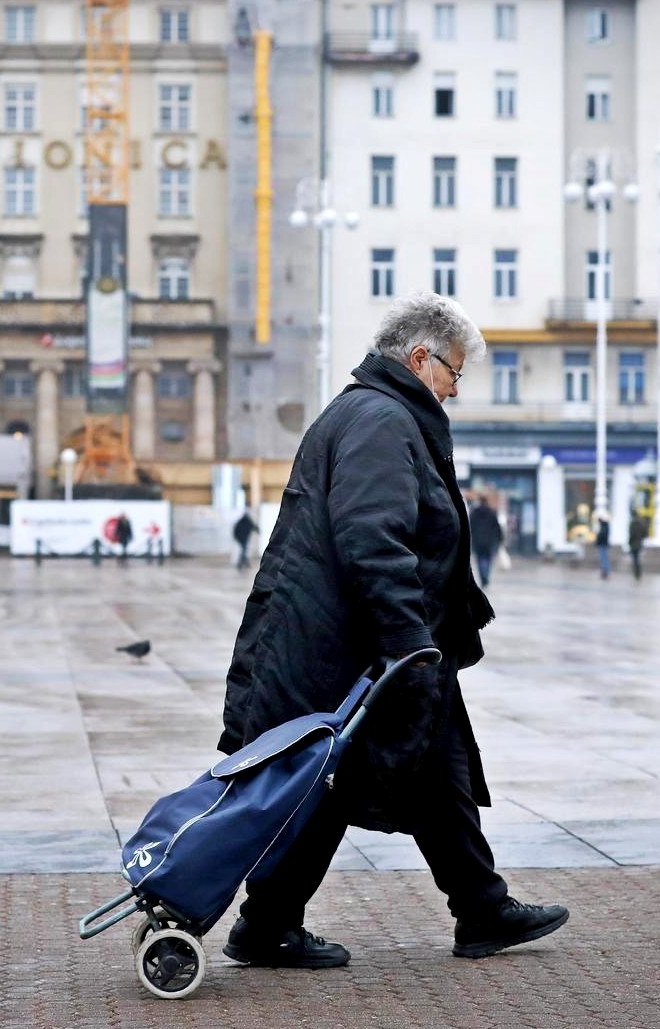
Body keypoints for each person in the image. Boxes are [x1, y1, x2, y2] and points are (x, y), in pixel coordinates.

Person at [219, 292, 568, 970]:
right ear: (418, 357)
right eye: (454, 372)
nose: (456, 389)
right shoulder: (381, 419)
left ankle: (479, 904)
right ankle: (269, 921)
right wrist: (408, 642)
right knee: (335, 778)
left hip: (373, 643)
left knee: (433, 768)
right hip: (362, 646)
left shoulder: (380, 413)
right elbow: (372, 538)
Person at [469, 495, 502, 589]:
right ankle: (486, 575)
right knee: (488, 560)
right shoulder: (492, 512)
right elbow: (497, 527)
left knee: (480, 560)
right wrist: (500, 539)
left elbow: (469, 527)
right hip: (489, 541)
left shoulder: (474, 513)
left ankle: (483, 577)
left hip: (477, 541)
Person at [628, 511, 649, 581]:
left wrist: (629, 542)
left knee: (635, 559)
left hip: (634, 543)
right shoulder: (641, 523)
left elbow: (631, 534)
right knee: (637, 558)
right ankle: (638, 572)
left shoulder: (633, 523)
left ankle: (637, 573)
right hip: (639, 543)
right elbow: (645, 533)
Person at [594, 509, 612, 580]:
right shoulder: (605, 526)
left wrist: (598, 539)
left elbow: (602, 535)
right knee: (604, 558)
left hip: (603, 544)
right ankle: (604, 571)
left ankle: (605, 571)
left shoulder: (604, 526)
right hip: (603, 544)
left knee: (604, 558)